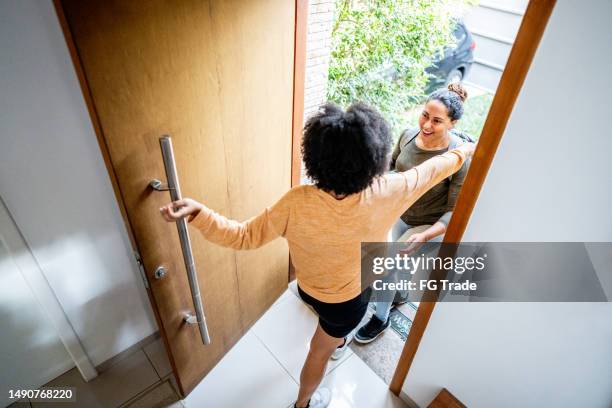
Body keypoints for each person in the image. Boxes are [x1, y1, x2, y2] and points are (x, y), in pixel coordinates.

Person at [159, 102, 474, 408]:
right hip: (350, 298)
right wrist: (465, 150)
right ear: (374, 158)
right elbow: (435, 169)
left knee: (325, 335)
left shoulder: (296, 202)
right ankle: (303, 402)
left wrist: (199, 213)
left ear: (315, 156)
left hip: (309, 289)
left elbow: (242, 236)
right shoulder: (390, 189)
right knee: (319, 351)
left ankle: (324, 363)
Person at [354, 83, 473, 345]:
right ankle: (398, 293)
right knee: (378, 256)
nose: (427, 125)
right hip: (401, 212)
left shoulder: (458, 158)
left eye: (437, 121)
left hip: (429, 224)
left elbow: (455, 211)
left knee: (385, 264)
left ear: (452, 123)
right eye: (425, 115)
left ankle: (381, 318)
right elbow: (394, 169)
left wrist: (425, 236)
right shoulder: (408, 135)